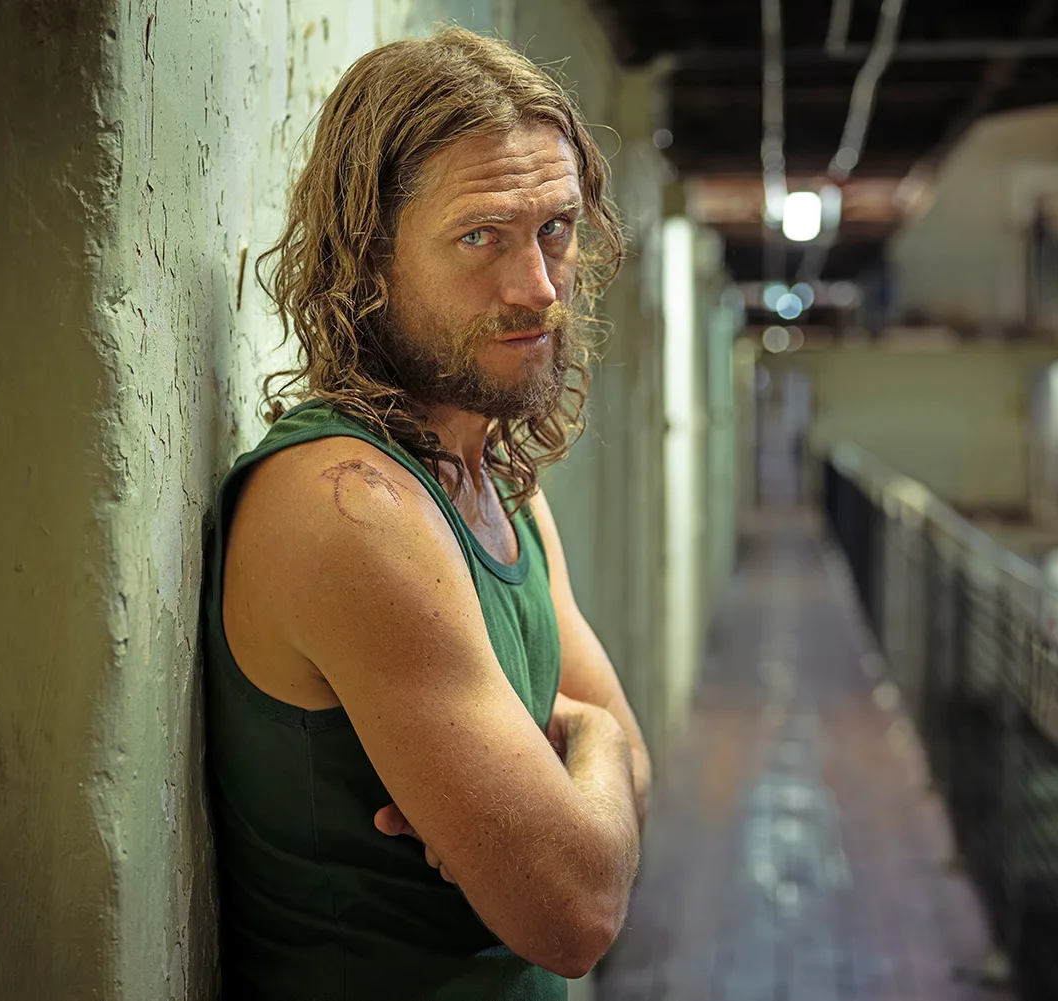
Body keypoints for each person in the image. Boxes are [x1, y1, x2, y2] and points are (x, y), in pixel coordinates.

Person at [202, 26, 650, 1001]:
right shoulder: (350, 507)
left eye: (556, 230)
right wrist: (590, 747)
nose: (537, 287)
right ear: (370, 257)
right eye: (481, 236)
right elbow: (577, 906)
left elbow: (622, 799)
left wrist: (583, 769)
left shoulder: (499, 479)